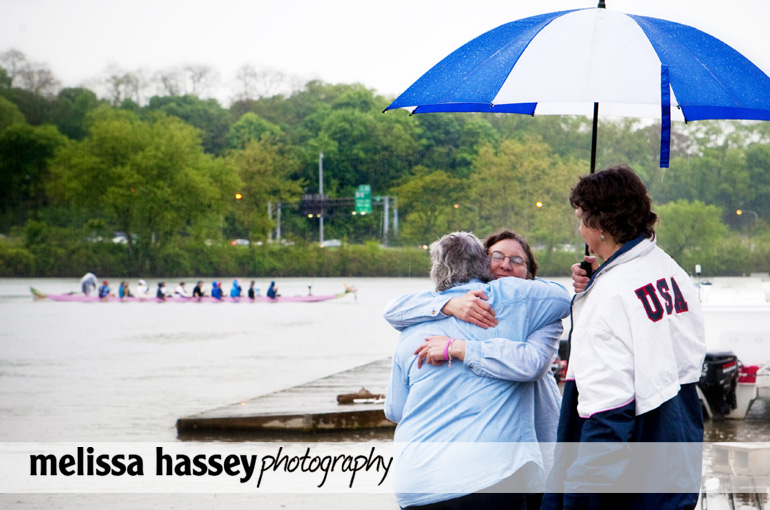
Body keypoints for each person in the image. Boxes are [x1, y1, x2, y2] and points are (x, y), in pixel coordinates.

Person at [541, 165, 706, 510]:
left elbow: (608, 410)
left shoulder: (611, 295)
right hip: (677, 457)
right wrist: (600, 275)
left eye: (581, 219)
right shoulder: (672, 272)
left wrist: (577, 497)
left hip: (628, 479)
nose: (579, 228)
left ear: (600, 226)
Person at [385, 232, 571, 509]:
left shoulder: (536, 314)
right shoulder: (433, 310)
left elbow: (532, 362)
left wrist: (461, 348)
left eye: (517, 260)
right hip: (492, 473)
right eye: (497, 257)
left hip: (418, 481)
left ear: (530, 276)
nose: (506, 265)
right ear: (483, 264)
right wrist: (446, 304)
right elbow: (391, 309)